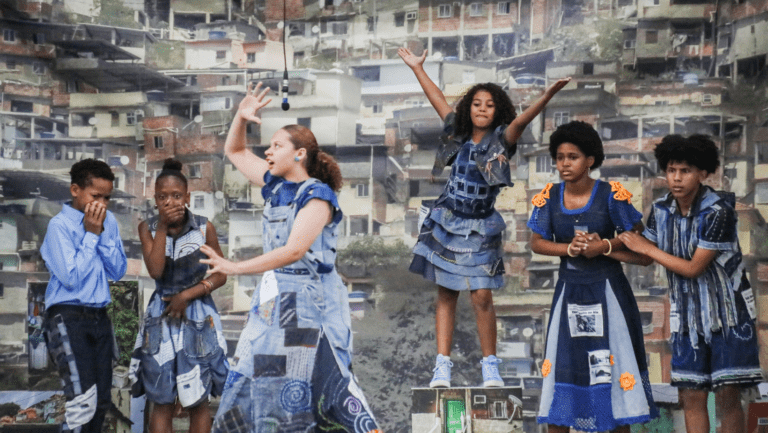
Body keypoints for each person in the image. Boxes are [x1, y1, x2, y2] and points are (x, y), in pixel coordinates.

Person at [200, 82, 381, 433]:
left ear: (299, 154)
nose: (268, 152)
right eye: (268, 146)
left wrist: (235, 267)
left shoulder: (317, 195)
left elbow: (295, 250)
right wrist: (241, 115)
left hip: (312, 306)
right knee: (260, 387)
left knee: (332, 389)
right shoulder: (274, 186)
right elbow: (235, 151)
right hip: (274, 305)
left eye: (276, 146)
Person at [398, 46, 570, 388]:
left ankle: (490, 366)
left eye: (489, 105)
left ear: (498, 111)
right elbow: (436, 97)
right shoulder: (455, 130)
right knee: (446, 293)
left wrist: (548, 94)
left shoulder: (502, 140)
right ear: (468, 108)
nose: (482, 109)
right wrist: (418, 68)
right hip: (447, 221)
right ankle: (442, 367)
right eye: (477, 103)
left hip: (481, 226)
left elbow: (523, 120)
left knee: (481, 296)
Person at [619, 134, 761, 433]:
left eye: (685, 171)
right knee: (692, 396)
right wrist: (605, 248)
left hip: (728, 318)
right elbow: (644, 256)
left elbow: (693, 268)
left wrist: (647, 248)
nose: (677, 178)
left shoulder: (719, 211)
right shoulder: (660, 210)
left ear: (703, 173)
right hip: (687, 321)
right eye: (671, 170)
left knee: (727, 397)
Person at [528, 121, 658, 432]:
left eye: (573, 157)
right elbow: (536, 243)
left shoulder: (612, 196)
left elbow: (643, 252)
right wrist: (569, 249)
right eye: (559, 157)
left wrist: (605, 246)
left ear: (590, 160)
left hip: (610, 296)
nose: (564, 164)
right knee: (562, 375)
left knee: (614, 381)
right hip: (568, 294)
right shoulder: (548, 196)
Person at [129, 158, 229, 433]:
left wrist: (188, 295)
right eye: (163, 197)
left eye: (176, 196)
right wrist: (161, 227)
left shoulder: (203, 228)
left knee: (198, 399)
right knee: (161, 400)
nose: (170, 202)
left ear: (187, 197)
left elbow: (221, 273)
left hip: (197, 315)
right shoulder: (147, 227)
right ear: (155, 199)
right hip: (160, 319)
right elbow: (156, 270)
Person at [40, 158, 127, 433]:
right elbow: (71, 278)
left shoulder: (108, 221)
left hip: (100, 316)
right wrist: (90, 235)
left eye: (107, 198)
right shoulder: (59, 226)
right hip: (68, 315)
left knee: (101, 401)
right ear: (75, 190)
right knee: (82, 401)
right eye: (95, 196)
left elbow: (118, 269)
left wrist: (100, 233)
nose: (101, 203)